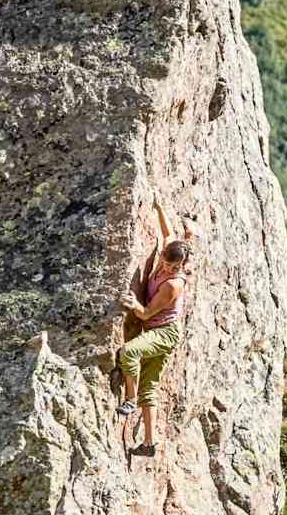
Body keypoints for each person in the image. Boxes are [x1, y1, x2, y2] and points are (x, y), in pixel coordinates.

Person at [116, 196, 190, 458]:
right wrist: (159, 208)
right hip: (157, 331)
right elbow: (168, 232)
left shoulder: (173, 285)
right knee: (150, 387)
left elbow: (146, 314)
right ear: (163, 255)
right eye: (167, 263)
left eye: (175, 266)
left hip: (165, 333)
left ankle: (129, 399)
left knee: (129, 353)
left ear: (182, 265)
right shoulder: (169, 252)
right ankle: (149, 444)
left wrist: (133, 303)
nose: (169, 268)